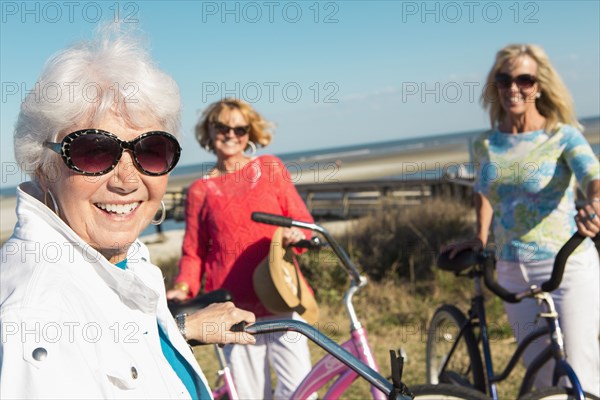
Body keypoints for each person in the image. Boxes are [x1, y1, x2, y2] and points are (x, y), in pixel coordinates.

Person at [0, 27, 255, 399]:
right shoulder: (36, 323)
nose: (127, 180)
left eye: (152, 150)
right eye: (93, 151)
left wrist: (174, 330)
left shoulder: (116, 263)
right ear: (43, 166)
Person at [445, 44, 600, 396]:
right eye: (504, 79)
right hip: (513, 270)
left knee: (579, 373)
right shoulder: (486, 144)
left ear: (539, 86)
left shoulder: (561, 135)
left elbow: (593, 174)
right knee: (540, 378)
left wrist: (596, 202)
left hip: (567, 266)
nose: (513, 88)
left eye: (524, 79)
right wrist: (480, 237)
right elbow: (484, 191)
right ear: (495, 85)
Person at [166, 98, 315, 399]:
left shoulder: (270, 168)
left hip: (280, 298)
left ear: (250, 132)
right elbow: (193, 252)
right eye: (222, 126)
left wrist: (295, 235)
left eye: (240, 128)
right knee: (249, 395)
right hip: (232, 310)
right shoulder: (200, 191)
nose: (231, 134)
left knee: (301, 392)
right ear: (209, 131)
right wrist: (183, 287)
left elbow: (303, 223)